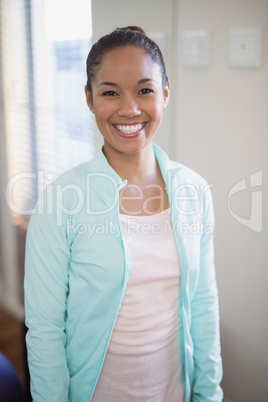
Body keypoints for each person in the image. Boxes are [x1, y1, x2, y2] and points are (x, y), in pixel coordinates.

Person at [24, 26, 223, 402]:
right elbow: (46, 330)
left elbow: (203, 304)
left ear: (165, 93)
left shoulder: (194, 192)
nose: (129, 108)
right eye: (110, 92)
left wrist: (209, 395)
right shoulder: (60, 202)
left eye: (145, 90)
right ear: (89, 97)